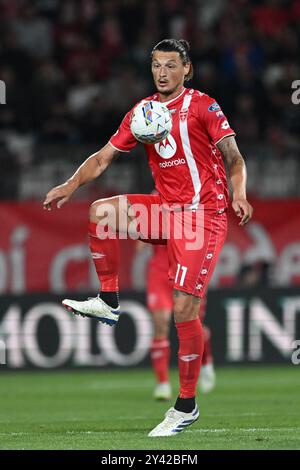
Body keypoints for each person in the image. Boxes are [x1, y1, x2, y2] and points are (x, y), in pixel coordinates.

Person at [43, 38, 253, 437]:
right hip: (165, 210)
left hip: (201, 217)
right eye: (156, 65)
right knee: (101, 212)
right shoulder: (141, 112)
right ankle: (108, 301)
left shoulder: (204, 106)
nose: (162, 73)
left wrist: (238, 194)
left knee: (183, 311)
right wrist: (70, 184)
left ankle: (186, 405)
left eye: (171, 65)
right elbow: (104, 157)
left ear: (186, 69)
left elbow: (234, 158)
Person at [136, 240, 216, 401]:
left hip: (187, 269)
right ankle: (162, 383)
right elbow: (139, 245)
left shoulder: (191, 215)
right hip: (160, 273)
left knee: (195, 323)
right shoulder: (156, 214)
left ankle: (206, 362)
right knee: (160, 325)